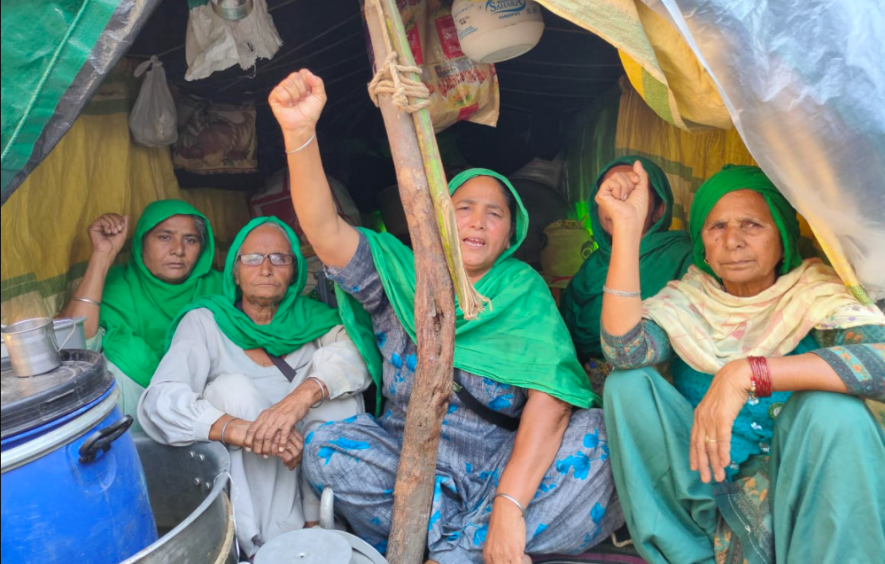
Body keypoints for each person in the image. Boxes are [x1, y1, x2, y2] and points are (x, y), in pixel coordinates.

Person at [269, 70, 623, 564]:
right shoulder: (398, 275)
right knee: (326, 447)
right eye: (462, 208)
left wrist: (508, 505)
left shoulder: (523, 292)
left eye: (494, 214)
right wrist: (298, 133)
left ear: (510, 234)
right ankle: (474, 549)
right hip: (407, 465)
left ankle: (451, 549)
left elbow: (552, 403)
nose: (477, 222)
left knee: (600, 435)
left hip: (508, 466)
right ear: (434, 218)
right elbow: (324, 228)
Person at [597, 164, 885, 563]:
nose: (732, 241)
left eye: (751, 225)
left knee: (834, 411)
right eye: (716, 228)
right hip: (703, 487)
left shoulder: (817, 296)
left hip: (802, 491)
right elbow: (624, 352)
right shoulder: (689, 300)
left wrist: (750, 372)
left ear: (782, 239)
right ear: (702, 243)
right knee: (626, 385)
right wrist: (627, 230)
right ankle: (686, 550)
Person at [138, 217, 371, 557]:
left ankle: (320, 528)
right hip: (252, 493)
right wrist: (244, 429)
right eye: (252, 258)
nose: (265, 268)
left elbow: (357, 358)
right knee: (233, 392)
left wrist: (298, 399)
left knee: (338, 397)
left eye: (280, 258)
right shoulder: (206, 322)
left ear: (294, 272)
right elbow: (160, 400)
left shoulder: (316, 320)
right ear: (234, 271)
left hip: (313, 489)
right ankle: (263, 549)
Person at [59, 200, 222, 424]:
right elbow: (72, 345)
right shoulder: (116, 286)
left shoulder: (221, 290)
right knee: (120, 355)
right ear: (141, 242)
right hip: (130, 426)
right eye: (164, 237)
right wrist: (102, 255)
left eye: (190, 240)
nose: (178, 250)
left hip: (205, 423)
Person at [562, 156, 693, 394]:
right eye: (610, 189)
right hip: (581, 387)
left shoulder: (682, 256)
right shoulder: (592, 265)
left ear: (659, 209)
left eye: (632, 190)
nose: (618, 199)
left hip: (652, 388)